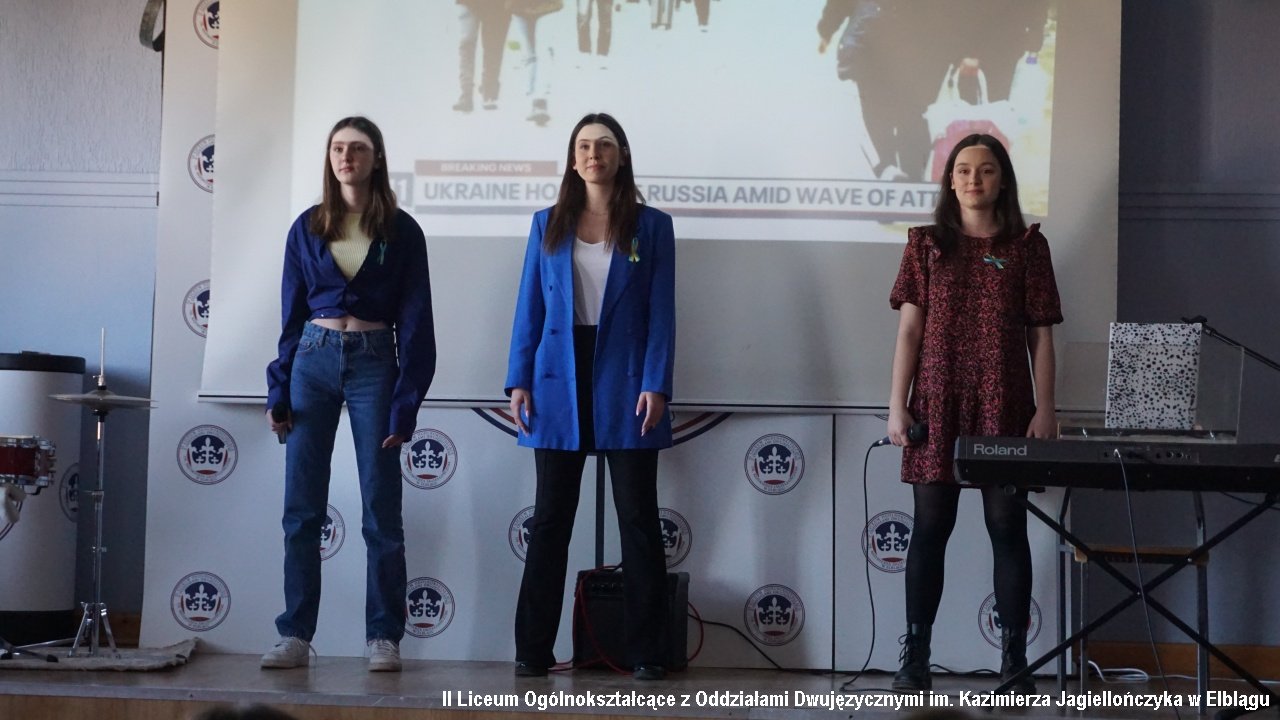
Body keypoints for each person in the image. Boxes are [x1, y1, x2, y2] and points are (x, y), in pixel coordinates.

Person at [886, 133, 1060, 693]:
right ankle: (916, 657)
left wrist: (1046, 408)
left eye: (985, 170)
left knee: (1007, 527)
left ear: (1002, 180)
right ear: (950, 180)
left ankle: (1014, 660)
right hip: (937, 402)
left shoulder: (1028, 246)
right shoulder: (925, 244)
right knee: (930, 527)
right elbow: (909, 331)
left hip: (1005, 403)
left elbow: (1041, 337)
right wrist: (896, 405)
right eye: (962, 169)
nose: (973, 179)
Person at [505, 112, 676, 681]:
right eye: (583, 145)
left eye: (603, 145)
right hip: (557, 376)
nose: (593, 154)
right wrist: (519, 379)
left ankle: (648, 652)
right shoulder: (546, 223)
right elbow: (529, 305)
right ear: (572, 158)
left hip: (627, 377)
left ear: (621, 155)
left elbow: (662, 312)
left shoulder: (652, 226)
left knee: (638, 519)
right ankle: (532, 650)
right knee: (551, 519)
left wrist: (656, 381)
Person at [263, 116, 436, 673]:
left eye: (357, 148)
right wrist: (279, 388)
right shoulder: (307, 227)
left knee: (381, 509)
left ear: (376, 158)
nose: (346, 157)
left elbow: (417, 323)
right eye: (338, 148)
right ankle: (295, 634)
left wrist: (406, 403)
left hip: (374, 363)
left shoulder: (402, 231)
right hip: (312, 360)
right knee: (301, 509)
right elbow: (290, 316)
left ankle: (383, 636)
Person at [454, 0, 514, 112]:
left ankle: (489, 92)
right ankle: (466, 93)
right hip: (469, 3)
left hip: (497, 5)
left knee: (493, 47)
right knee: (467, 43)